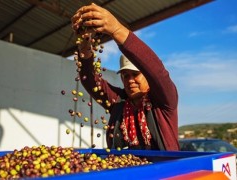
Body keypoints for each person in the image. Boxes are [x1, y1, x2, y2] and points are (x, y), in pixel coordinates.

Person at [71, 3, 179, 151]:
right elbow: (90, 82)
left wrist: (117, 30)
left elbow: (157, 72)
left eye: (135, 74)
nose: (130, 80)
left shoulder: (163, 101)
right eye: (125, 75)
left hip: (164, 173)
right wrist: (84, 47)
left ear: (147, 76)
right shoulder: (118, 102)